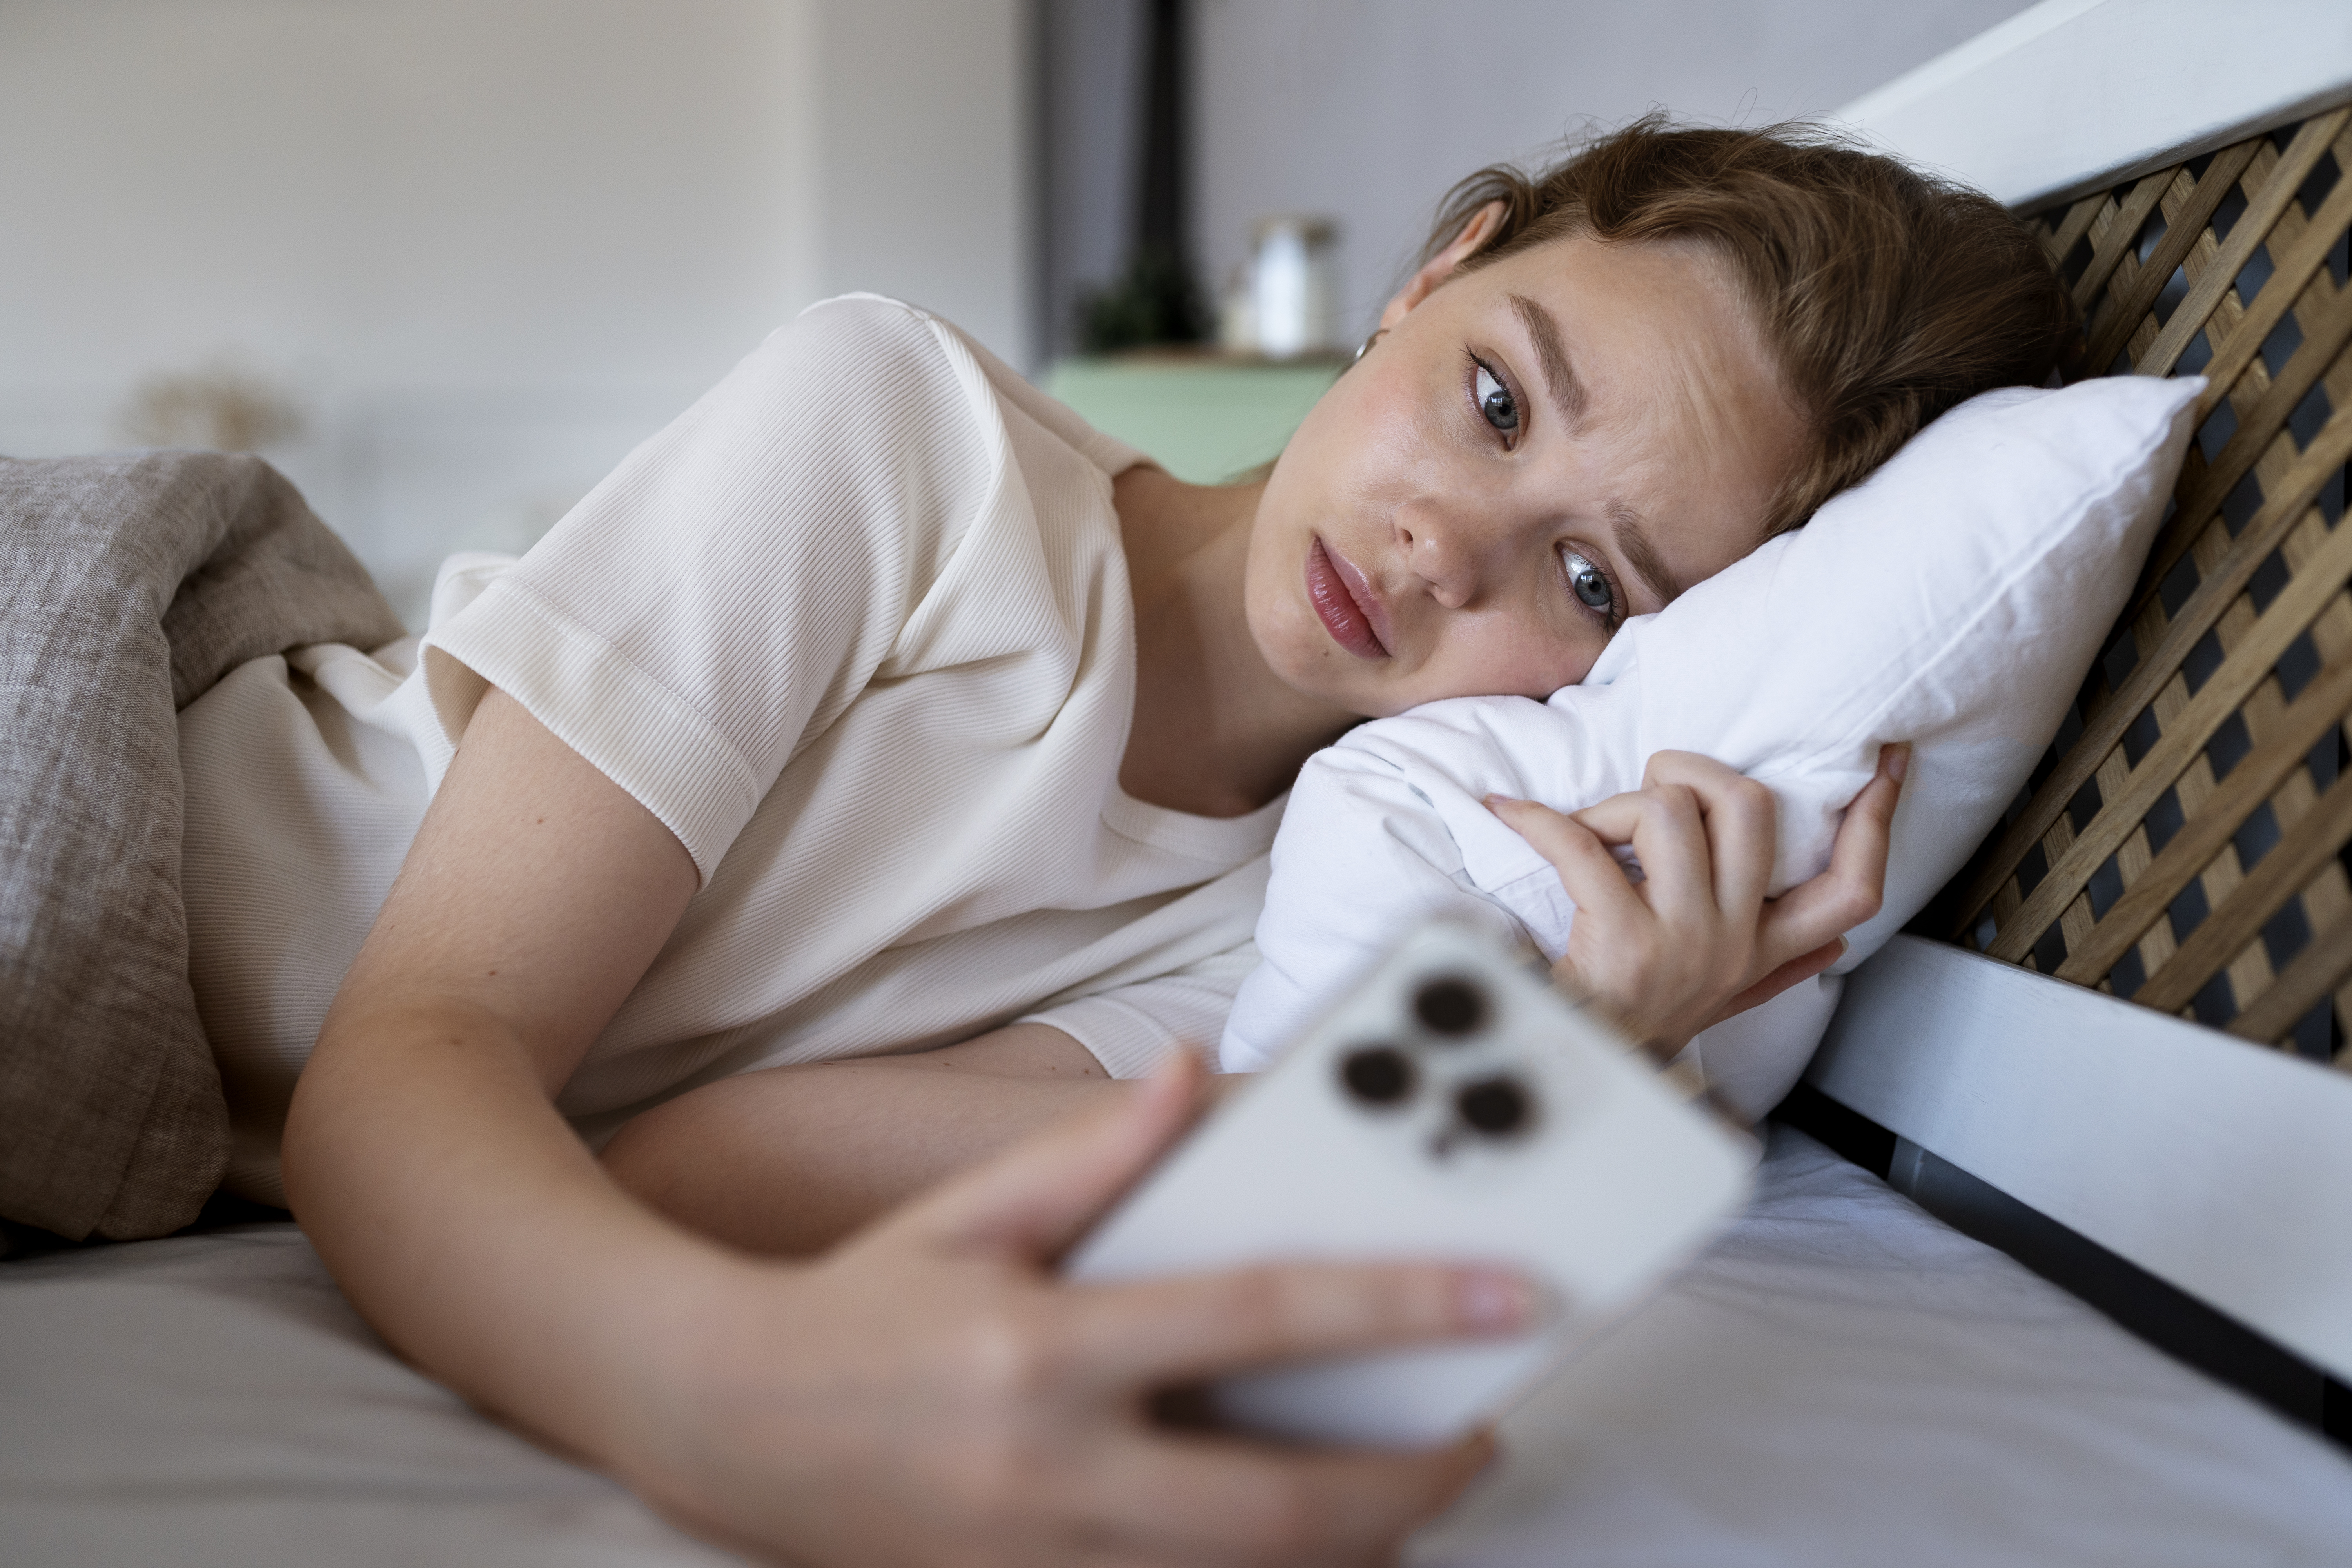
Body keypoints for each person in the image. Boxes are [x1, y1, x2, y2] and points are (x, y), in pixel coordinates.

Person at [171, 119, 2066, 1564]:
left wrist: (1598, 1048)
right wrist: (714, 1403)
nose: (1438, 546)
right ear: (1439, 267)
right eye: (1494, 399)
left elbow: (692, 1174)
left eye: (1583, 577)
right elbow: (411, 1060)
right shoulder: (898, 431)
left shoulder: (1287, 930)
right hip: (121, 812)